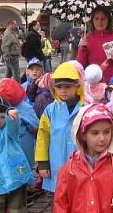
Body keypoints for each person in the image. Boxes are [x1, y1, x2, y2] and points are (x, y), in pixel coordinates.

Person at [35, 62, 84, 193]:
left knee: (79, 198)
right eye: (59, 87)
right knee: (58, 201)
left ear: (77, 86)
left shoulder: (85, 109)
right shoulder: (50, 111)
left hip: (81, 164)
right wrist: (42, 162)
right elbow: (42, 137)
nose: (63, 91)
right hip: (57, 163)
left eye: (68, 87)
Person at [0, 78, 39, 184]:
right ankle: (26, 187)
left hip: (10, 143)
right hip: (25, 142)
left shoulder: (3, 109)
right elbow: (35, 125)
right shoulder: (26, 107)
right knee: (26, 166)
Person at [76, 7, 113, 83]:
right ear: (92, 20)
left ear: (108, 20)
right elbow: (80, 66)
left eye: (103, 19)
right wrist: (83, 49)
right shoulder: (86, 39)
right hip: (93, 83)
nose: (100, 22)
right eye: (96, 18)